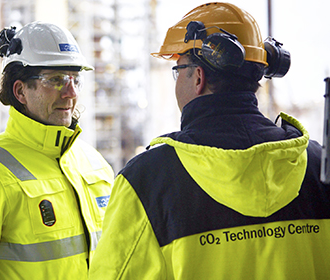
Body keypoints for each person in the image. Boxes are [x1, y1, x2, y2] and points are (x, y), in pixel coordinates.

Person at [89, 2, 330, 279]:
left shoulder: (147, 182)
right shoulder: (318, 168)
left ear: (198, 78)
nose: (176, 80)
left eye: (178, 69)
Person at [0, 21, 113, 279]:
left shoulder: (94, 164)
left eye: (75, 79)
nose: (70, 93)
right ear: (20, 90)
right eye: (56, 80)